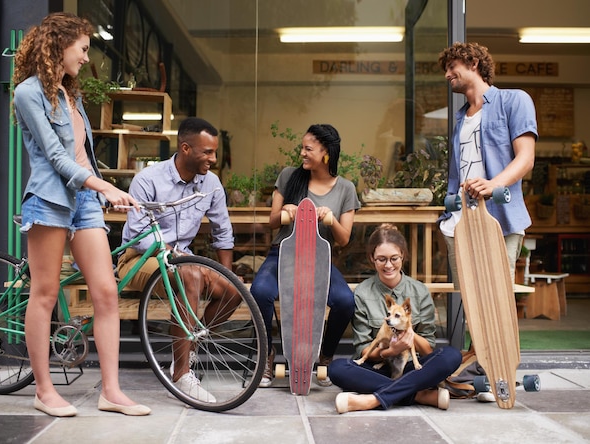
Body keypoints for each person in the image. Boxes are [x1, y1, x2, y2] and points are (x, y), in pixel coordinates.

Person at [13, 12, 150, 417]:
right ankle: (44, 390)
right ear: (60, 43)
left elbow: (82, 156)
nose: (87, 59)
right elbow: (55, 157)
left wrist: (106, 192)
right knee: (45, 294)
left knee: (106, 293)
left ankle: (111, 391)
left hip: (84, 203)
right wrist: (102, 186)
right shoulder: (28, 92)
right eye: (84, 49)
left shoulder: (71, 96)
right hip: (50, 200)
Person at [116, 116, 236, 403]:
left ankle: (189, 349)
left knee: (234, 292)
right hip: (139, 258)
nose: (214, 158)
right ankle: (182, 375)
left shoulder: (211, 182)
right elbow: (140, 234)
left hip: (183, 259)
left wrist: (228, 274)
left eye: (215, 151)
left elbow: (223, 231)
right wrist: (174, 255)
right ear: (185, 149)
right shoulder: (149, 179)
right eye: (207, 152)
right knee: (189, 274)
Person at [250, 124, 361, 388]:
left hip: (318, 260)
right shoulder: (289, 176)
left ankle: (325, 356)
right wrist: (286, 209)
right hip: (283, 254)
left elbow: (344, 239)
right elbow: (272, 222)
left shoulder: (345, 188)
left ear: (326, 153)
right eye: (302, 147)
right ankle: (266, 356)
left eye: (308, 148)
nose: (302, 153)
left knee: (345, 301)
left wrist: (331, 220)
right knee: (260, 291)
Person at [328, 224, 462, 413]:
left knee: (451, 356)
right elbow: (363, 349)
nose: (388, 265)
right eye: (381, 259)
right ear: (371, 259)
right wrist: (390, 351)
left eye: (394, 258)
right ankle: (419, 395)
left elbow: (428, 349)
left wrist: (408, 333)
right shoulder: (362, 293)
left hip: (411, 367)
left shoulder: (419, 291)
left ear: (403, 257)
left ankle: (372, 400)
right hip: (379, 367)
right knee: (337, 368)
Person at [437, 42, 537, 285]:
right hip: (459, 223)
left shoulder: (514, 101)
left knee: (497, 302)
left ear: (474, 63)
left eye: (452, 66)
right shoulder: (460, 119)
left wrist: (494, 184)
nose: (447, 74)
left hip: (499, 219)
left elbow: (526, 158)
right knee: (471, 302)